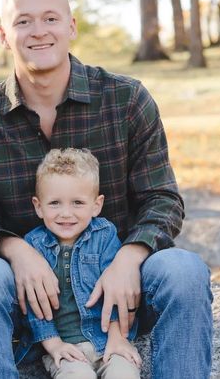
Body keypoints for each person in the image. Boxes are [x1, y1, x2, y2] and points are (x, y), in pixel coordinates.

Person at [0, 0, 213, 379]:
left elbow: (162, 199)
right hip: (30, 298)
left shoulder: (125, 100)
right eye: (23, 21)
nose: (39, 32)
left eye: (51, 18)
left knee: (185, 270)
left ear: (71, 27)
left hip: (119, 288)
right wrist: (16, 250)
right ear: (4, 35)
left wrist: (130, 257)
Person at [23, 148, 141, 379]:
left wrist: (118, 338)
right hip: (65, 347)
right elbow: (33, 305)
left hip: (108, 340)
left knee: (124, 374)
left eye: (77, 202)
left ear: (96, 205)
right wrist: (54, 346)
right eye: (55, 203)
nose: (66, 213)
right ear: (38, 206)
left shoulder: (105, 235)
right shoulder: (34, 245)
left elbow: (117, 292)